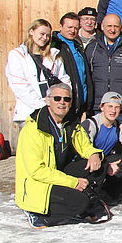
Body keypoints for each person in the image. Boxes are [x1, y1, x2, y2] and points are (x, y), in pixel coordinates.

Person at [14, 83, 111, 228]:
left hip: (58, 174)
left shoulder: (70, 123)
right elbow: (37, 171)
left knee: (100, 166)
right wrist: (73, 182)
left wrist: (93, 154)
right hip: (39, 184)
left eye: (66, 99)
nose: (62, 102)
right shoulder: (33, 129)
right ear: (48, 101)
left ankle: (86, 203)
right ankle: (39, 214)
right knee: (80, 203)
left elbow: (84, 145)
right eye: (57, 98)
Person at [85, 13, 122, 127]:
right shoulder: (92, 48)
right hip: (99, 106)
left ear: (121, 28)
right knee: (99, 140)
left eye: (116, 26)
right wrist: (87, 103)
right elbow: (86, 77)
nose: (112, 30)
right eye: (109, 26)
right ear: (102, 27)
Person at [5, 19, 70, 125]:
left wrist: (59, 104)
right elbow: (20, 86)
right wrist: (43, 107)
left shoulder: (53, 56)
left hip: (55, 112)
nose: (45, 38)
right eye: (42, 34)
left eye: (48, 35)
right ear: (31, 31)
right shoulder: (17, 55)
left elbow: (64, 80)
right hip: (30, 112)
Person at [81, 91, 122, 201]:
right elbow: (84, 150)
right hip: (88, 161)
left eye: (117, 107)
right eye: (110, 106)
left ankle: (109, 195)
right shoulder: (91, 124)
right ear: (102, 107)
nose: (113, 111)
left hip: (103, 160)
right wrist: (106, 166)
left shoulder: (121, 126)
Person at [50, 12, 93, 120]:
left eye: (75, 28)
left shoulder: (77, 45)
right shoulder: (55, 45)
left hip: (79, 103)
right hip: (63, 102)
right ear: (60, 27)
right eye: (69, 27)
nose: (72, 31)